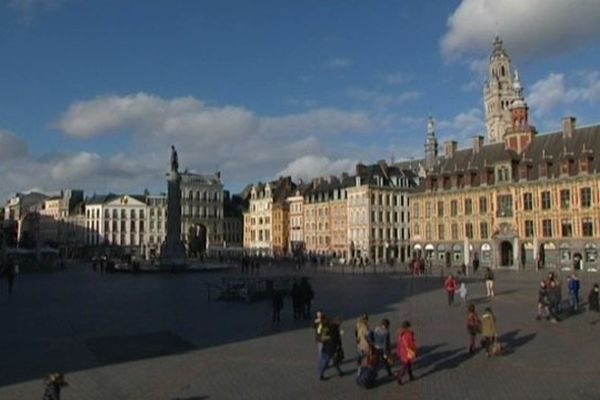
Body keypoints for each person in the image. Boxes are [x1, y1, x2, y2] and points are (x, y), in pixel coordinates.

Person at [396, 320, 416, 385]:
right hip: (407, 352)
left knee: (408, 364)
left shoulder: (400, 334)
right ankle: (399, 377)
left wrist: (398, 352)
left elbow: (398, 344)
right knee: (405, 366)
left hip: (402, 352)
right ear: (407, 327)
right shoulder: (409, 334)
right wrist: (414, 350)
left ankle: (411, 376)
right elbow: (411, 344)